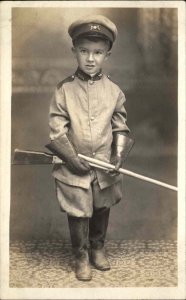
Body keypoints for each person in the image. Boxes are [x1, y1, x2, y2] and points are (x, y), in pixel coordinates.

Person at [46, 15, 134, 281]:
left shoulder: (115, 92)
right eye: (84, 51)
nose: (91, 58)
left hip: (105, 167)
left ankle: (98, 247)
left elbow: (121, 127)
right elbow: (56, 129)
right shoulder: (64, 90)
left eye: (98, 52)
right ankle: (81, 255)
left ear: (108, 54)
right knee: (78, 211)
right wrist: (71, 158)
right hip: (74, 167)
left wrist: (118, 156)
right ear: (74, 51)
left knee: (102, 207)